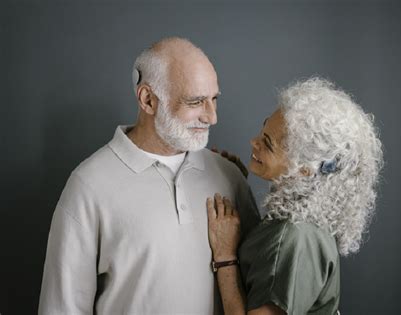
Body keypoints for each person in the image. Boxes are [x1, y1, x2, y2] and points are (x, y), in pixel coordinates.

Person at [39, 37, 260, 315]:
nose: (212, 117)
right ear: (148, 100)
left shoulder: (229, 176)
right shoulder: (88, 186)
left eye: (214, 99)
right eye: (196, 102)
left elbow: (260, 284)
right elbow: (62, 308)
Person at [207, 77, 383, 314]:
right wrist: (237, 182)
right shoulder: (306, 218)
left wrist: (225, 256)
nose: (253, 141)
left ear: (304, 169)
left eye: (267, 144)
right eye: (263, 129)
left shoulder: (293, 237)